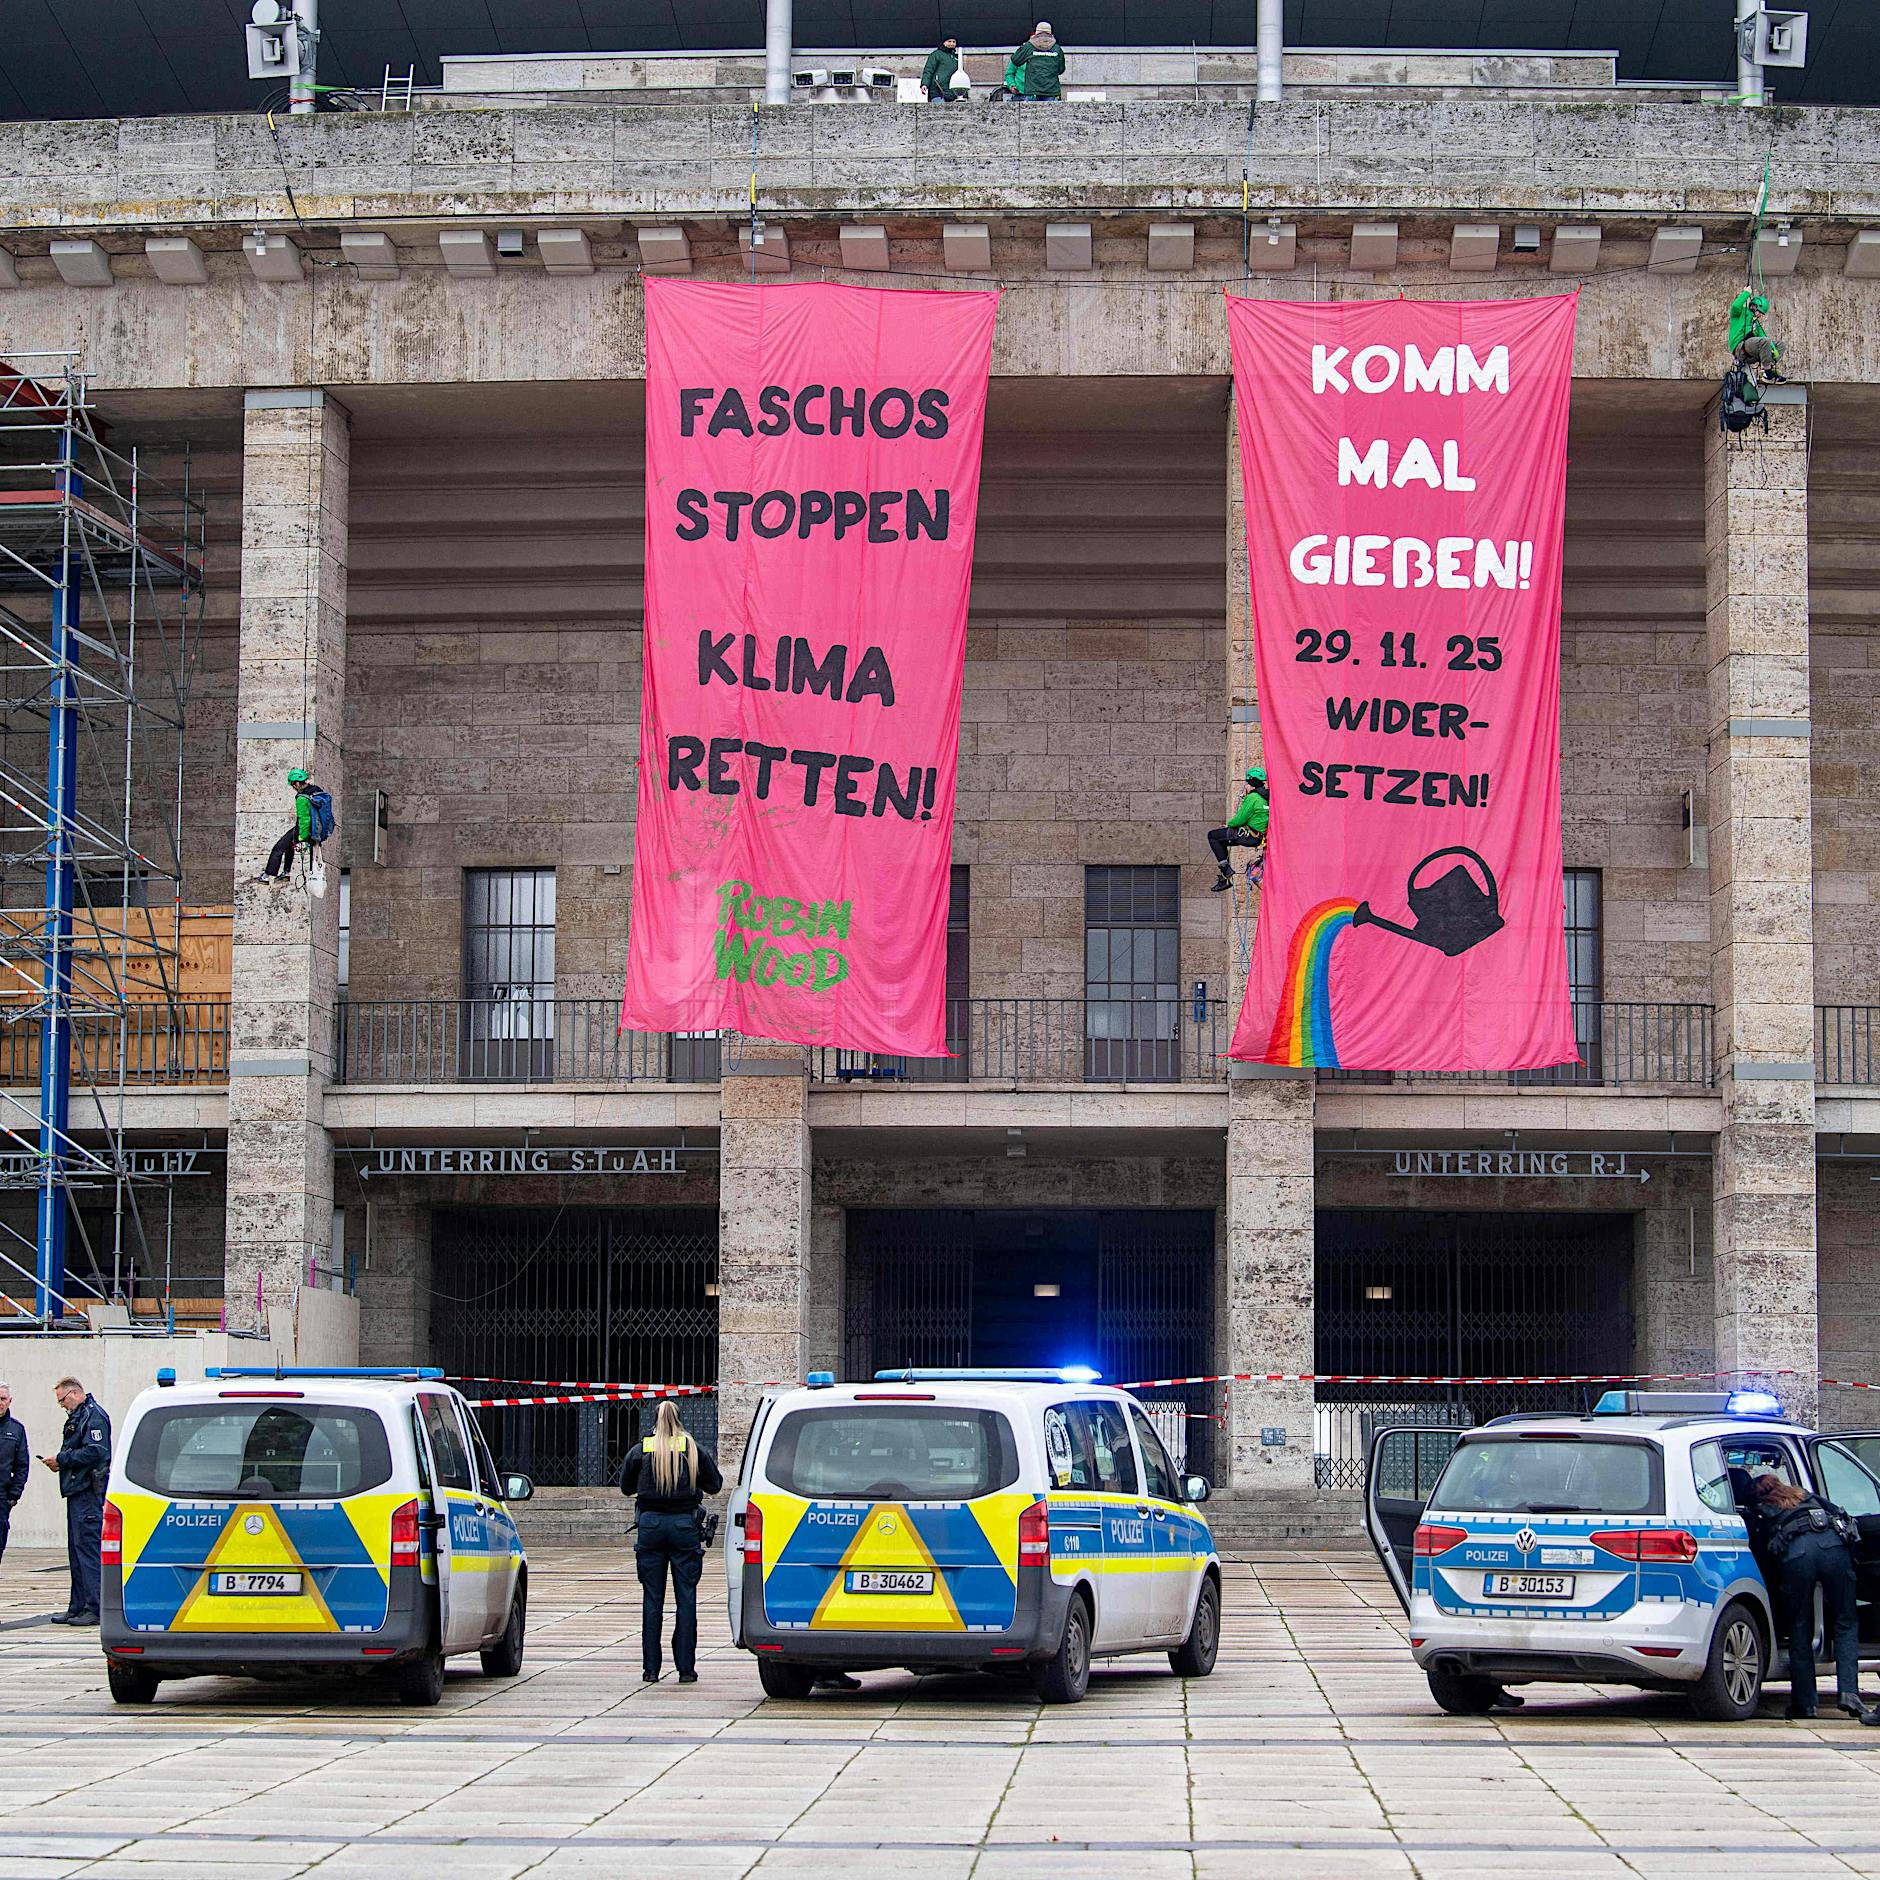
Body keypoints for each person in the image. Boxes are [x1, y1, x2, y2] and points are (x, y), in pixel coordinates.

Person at [620, 1399, 723, 1684]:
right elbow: (715, 1484)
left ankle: (650, 1669)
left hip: (651, 1526)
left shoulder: (642, 1450)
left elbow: (626, 1487)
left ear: (654, 1420)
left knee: (652, 1599)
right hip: (684, 1526)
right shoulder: (692, 1449)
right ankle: (686, 1669)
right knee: (686, 1599)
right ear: (681, 1420)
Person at [1755, 1476, 1868, 1720]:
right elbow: (1841, 1514)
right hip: (1833, 1551)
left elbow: (1765, 1553)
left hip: (1797, 1558)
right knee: (1846, 1623)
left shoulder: (1764, 1510)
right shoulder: (1804, 1494)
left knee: (1800, 1627)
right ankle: (1849, 1693)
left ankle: (1805, 1704)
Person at [40, 1376, 109, 1626]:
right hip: (77, 1492)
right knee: (76, 1552)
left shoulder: (94, 1416)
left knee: (88, 1551)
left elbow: (97, 1451)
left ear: (74, 1394)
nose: (62, 1406)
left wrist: (62, 1459)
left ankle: (94, 1607)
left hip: (89, 1493)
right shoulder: (79, 1417)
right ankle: (77, 1606)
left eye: (62, 1401)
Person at [260, 766, 335, 882]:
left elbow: (304, 820)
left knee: (278, 848)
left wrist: (301, 837)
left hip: (305, 830)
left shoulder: (302, 798)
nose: (292, 787)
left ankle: (267, 875)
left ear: (296, 783)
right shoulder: (316, 790)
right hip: (317, 830)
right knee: (290, 846)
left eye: (292, 785)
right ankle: (287, 872)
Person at [1209, 766, 1270, 892]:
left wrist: (1229, 824)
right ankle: (1226, 877)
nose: (1246, 786)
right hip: (1257, 837)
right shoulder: (1266, 797)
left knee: (1213, 836)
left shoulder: (1253, 797)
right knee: (1222, 841)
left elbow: (1240, 819)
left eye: (1247, 783)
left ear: (1251, 784)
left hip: (1249, 836)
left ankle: (1226, 872)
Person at [1728, 287, 1785, 383]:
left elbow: (1765, 337)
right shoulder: (1740, 313)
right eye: (1760, 312)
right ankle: (1767, 372)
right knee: (1764, 341)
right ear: (1754, 307)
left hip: (1751, 352)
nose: (1760, 315)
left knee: (1780, 345)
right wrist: (1746, 293)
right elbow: (1735, 306)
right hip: (1740, 348)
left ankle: (1768, 368)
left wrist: (1773, 349)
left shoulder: (1756, 324)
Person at [0, 1382, 26, 1568]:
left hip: (2, 1498)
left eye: (2, 1399)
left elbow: (22, 1465)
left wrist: (13, 1496)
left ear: (10, 1401)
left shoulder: (16, 1430)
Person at [1009, 22, 1066, 99]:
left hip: (1032, 91)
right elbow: (1061, 69)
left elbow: (1015, 60)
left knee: (1029, 111)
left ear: (1037, 32)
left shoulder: (1029, 46)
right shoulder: (1057, 48)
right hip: (1051, 91)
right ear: (1050, 32)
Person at [922, 36, 963, 101]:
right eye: (949, 41)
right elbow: (928, 70)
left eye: (954, 42)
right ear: (944, 43)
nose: (952, 44)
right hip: (937, 92)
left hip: (952, 93)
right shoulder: (936, 54)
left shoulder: (957, 58)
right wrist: (924, 84)